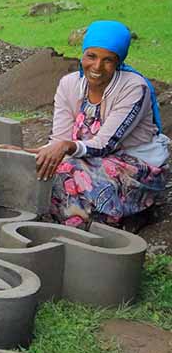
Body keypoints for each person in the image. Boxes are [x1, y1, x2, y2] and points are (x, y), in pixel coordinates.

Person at [36, 20, 168, 230]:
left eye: (108, 60)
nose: (97, 67)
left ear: (119, 61)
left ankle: (125, 217)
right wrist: (36, 153)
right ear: (83, 54)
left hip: (133, 164)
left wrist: (66, 147)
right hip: (87, 157)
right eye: (91, 56)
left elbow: (105, 144)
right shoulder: (69, 84)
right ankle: (75, 220)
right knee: (44, 170)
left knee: (67, 171)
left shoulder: (134, 88)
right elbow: (59, 139)